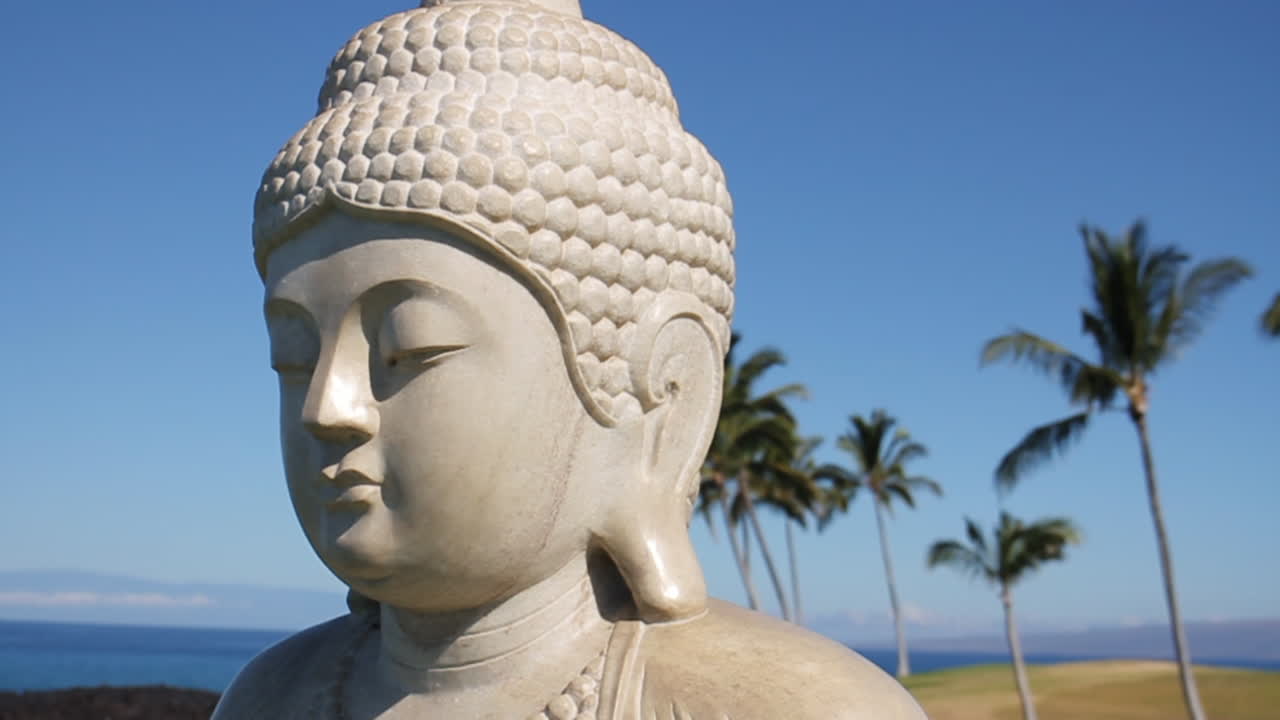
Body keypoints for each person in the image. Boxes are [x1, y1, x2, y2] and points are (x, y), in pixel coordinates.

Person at [214, 1, 927, 717]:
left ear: (664, 402)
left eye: (410, 349)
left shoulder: (795, 707)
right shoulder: (269, 697)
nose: (326, 409)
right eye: (294, 358)